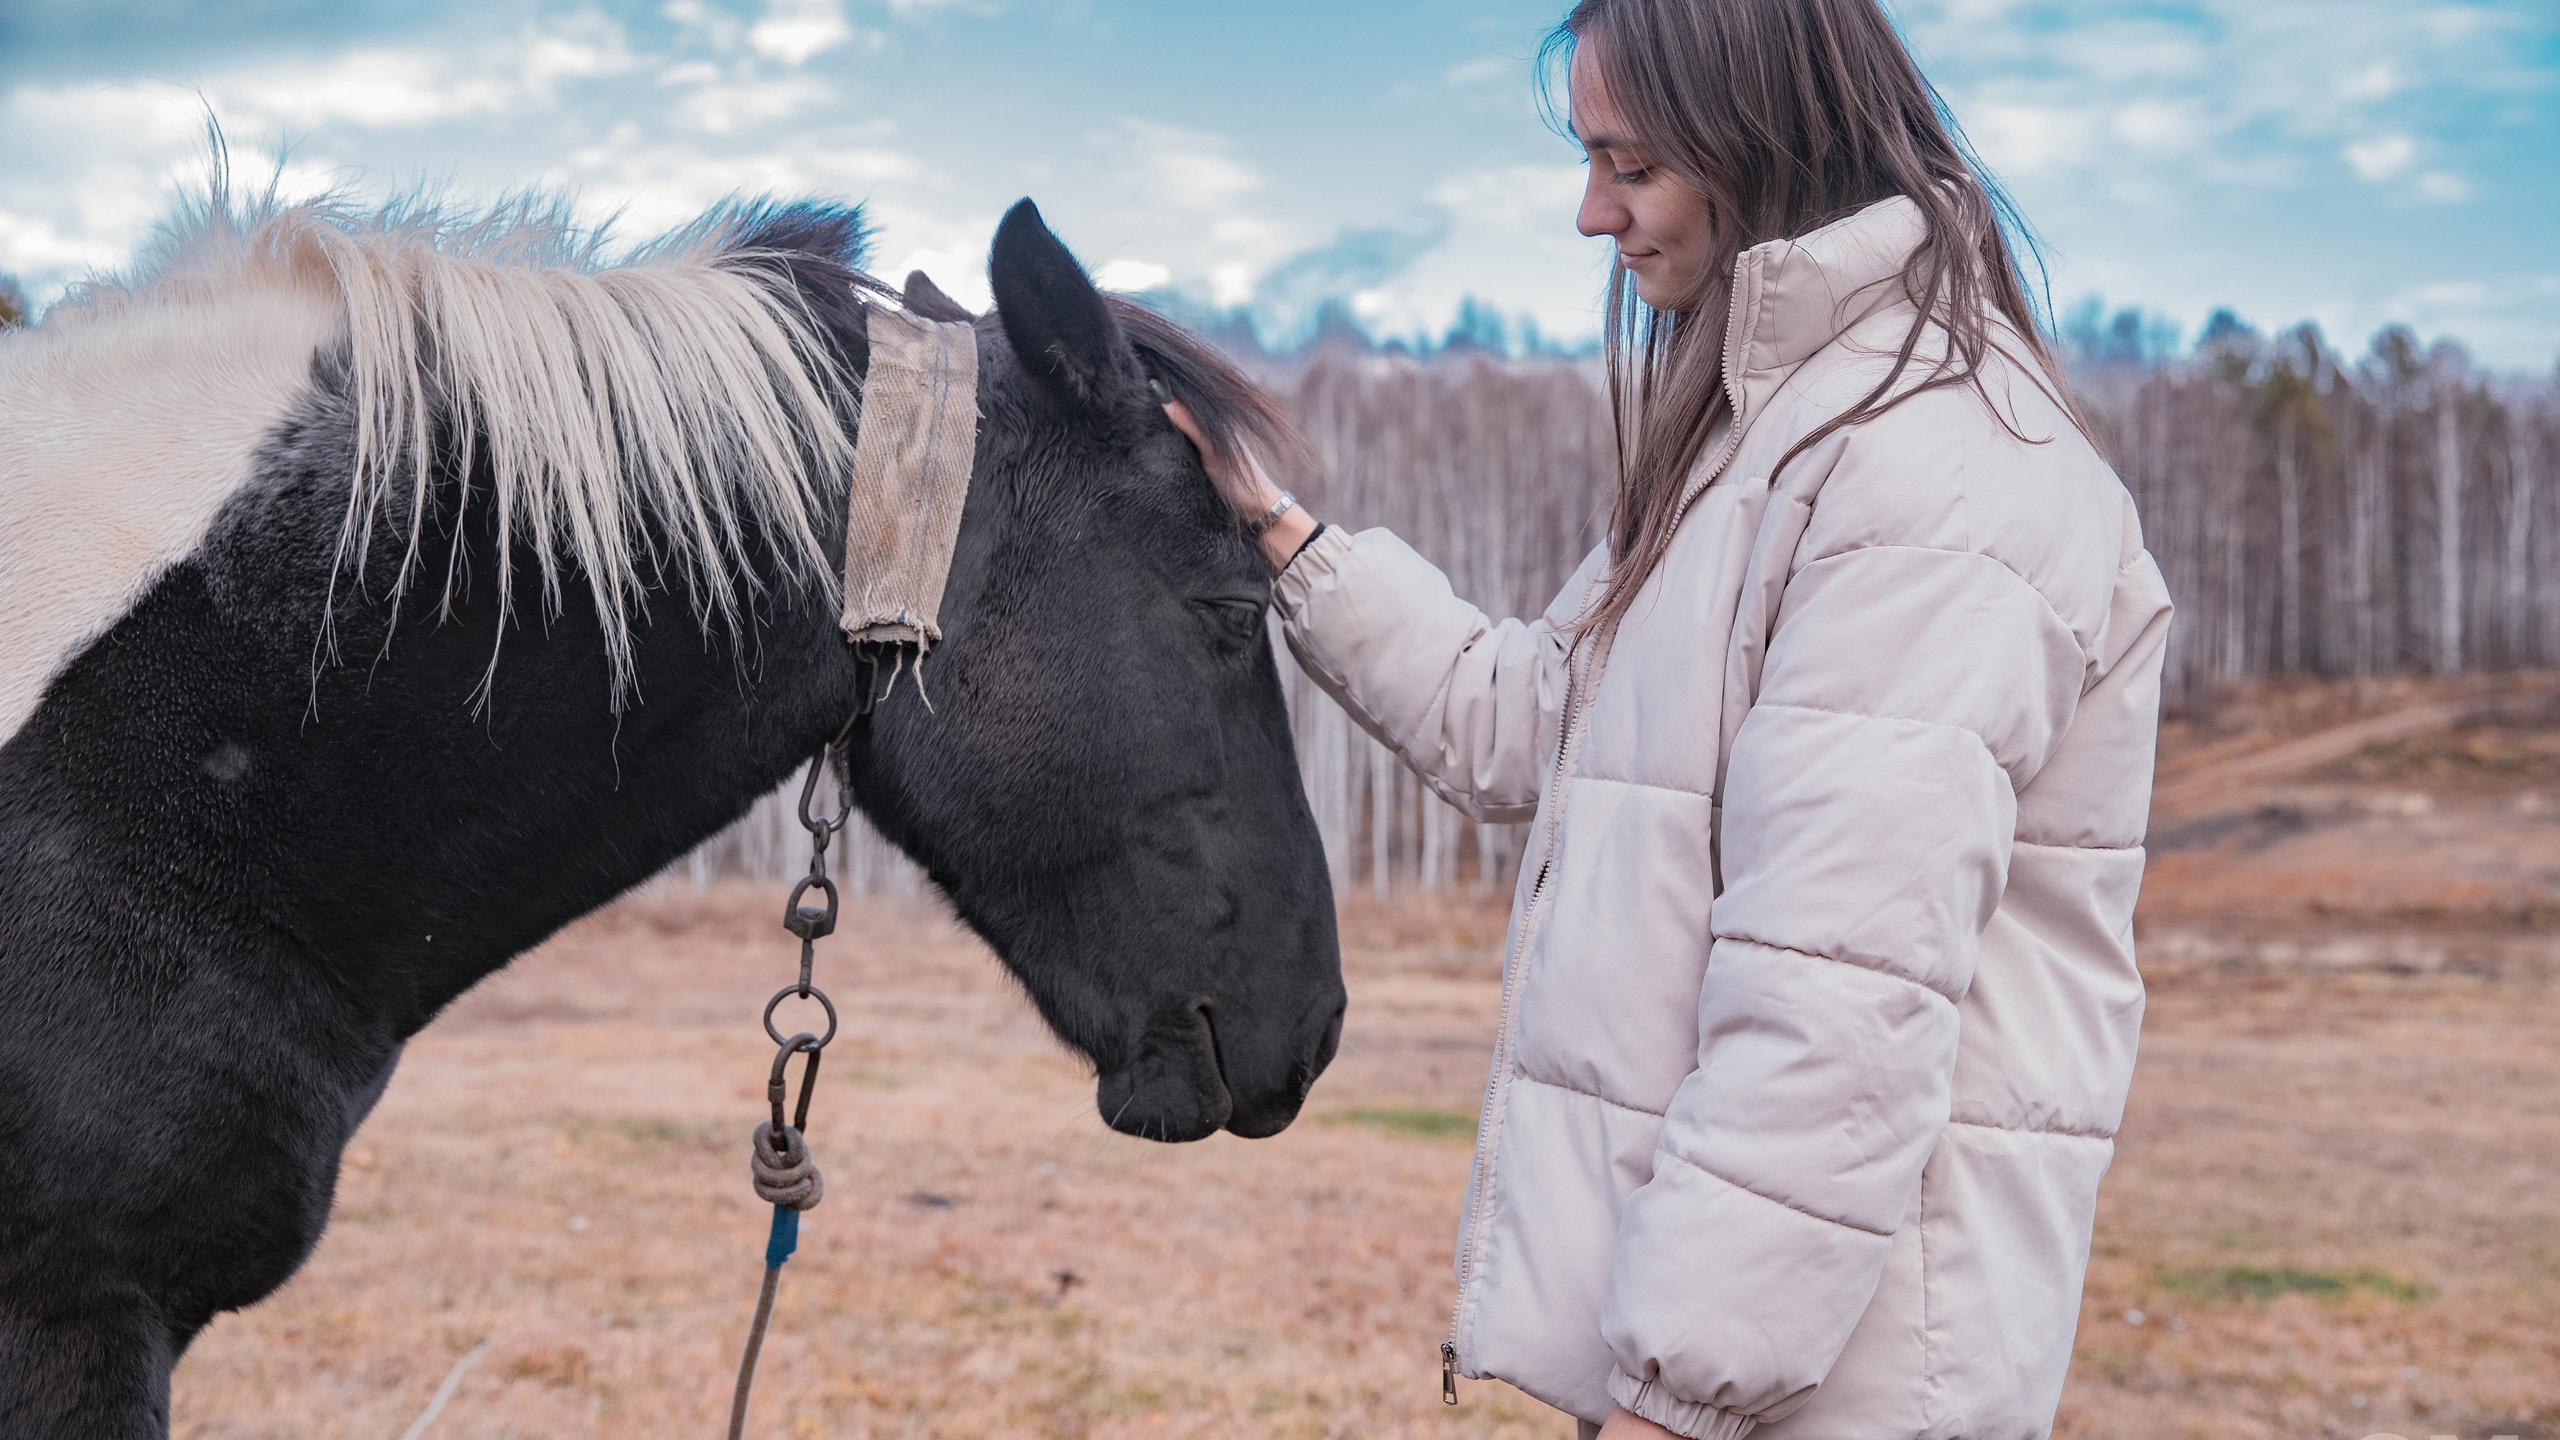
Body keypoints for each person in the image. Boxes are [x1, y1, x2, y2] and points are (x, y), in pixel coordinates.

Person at [1167, 0, 2171, 1436]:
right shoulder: (1772, 444)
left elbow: (1837, 1002)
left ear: (1760, 137)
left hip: (1834, 1392)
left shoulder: (1936, 477)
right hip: (1750, 1378)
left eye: (1629, 165)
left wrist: (1673, 1396)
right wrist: (1272, 525)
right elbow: (1521, 718)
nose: (1592, 215)